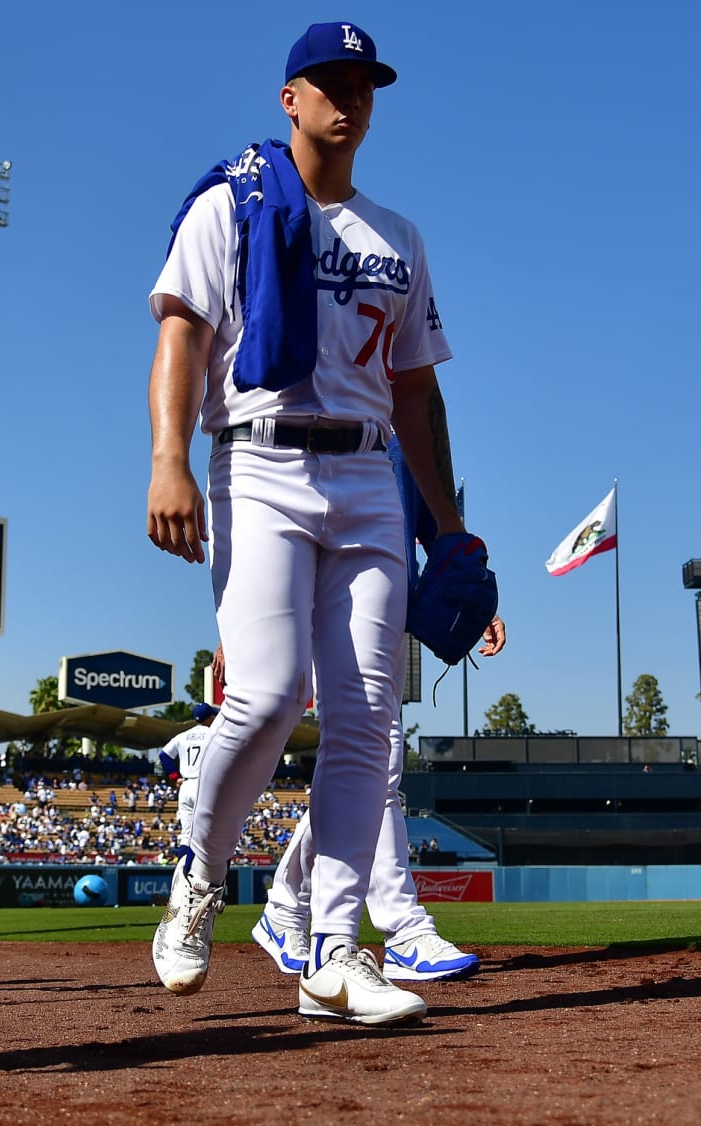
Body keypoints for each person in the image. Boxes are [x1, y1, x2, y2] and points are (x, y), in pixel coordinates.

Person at [146, 21, 469, 1025]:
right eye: (330, 81)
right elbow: (183, 333)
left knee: (370, 717)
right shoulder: (231, 202)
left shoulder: (397, 236)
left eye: (365, 82)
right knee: (272, 692)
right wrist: (167, 460)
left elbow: (416, 393)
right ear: (290, 97)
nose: (350, 96)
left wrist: (449, 527)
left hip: (372, 477)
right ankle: (197, 879)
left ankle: (334, 952)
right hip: (261, 460)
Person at [251, 436, 505, 978]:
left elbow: (433, 515)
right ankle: (403, 928)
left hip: (385, 593)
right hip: (326, 588)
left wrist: (465, 583)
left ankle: (287, 903)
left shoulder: (399, 401)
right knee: (374, 759)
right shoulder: (330, 390)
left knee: (367, 761)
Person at [158, 701, 219, 843]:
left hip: (186, 785)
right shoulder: (214, 734)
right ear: (210, 717)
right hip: (204, 785)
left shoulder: (183, 736)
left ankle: (184, 865)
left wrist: (175, 777)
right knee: (210, 835)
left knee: (187, 836)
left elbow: (164, 755)